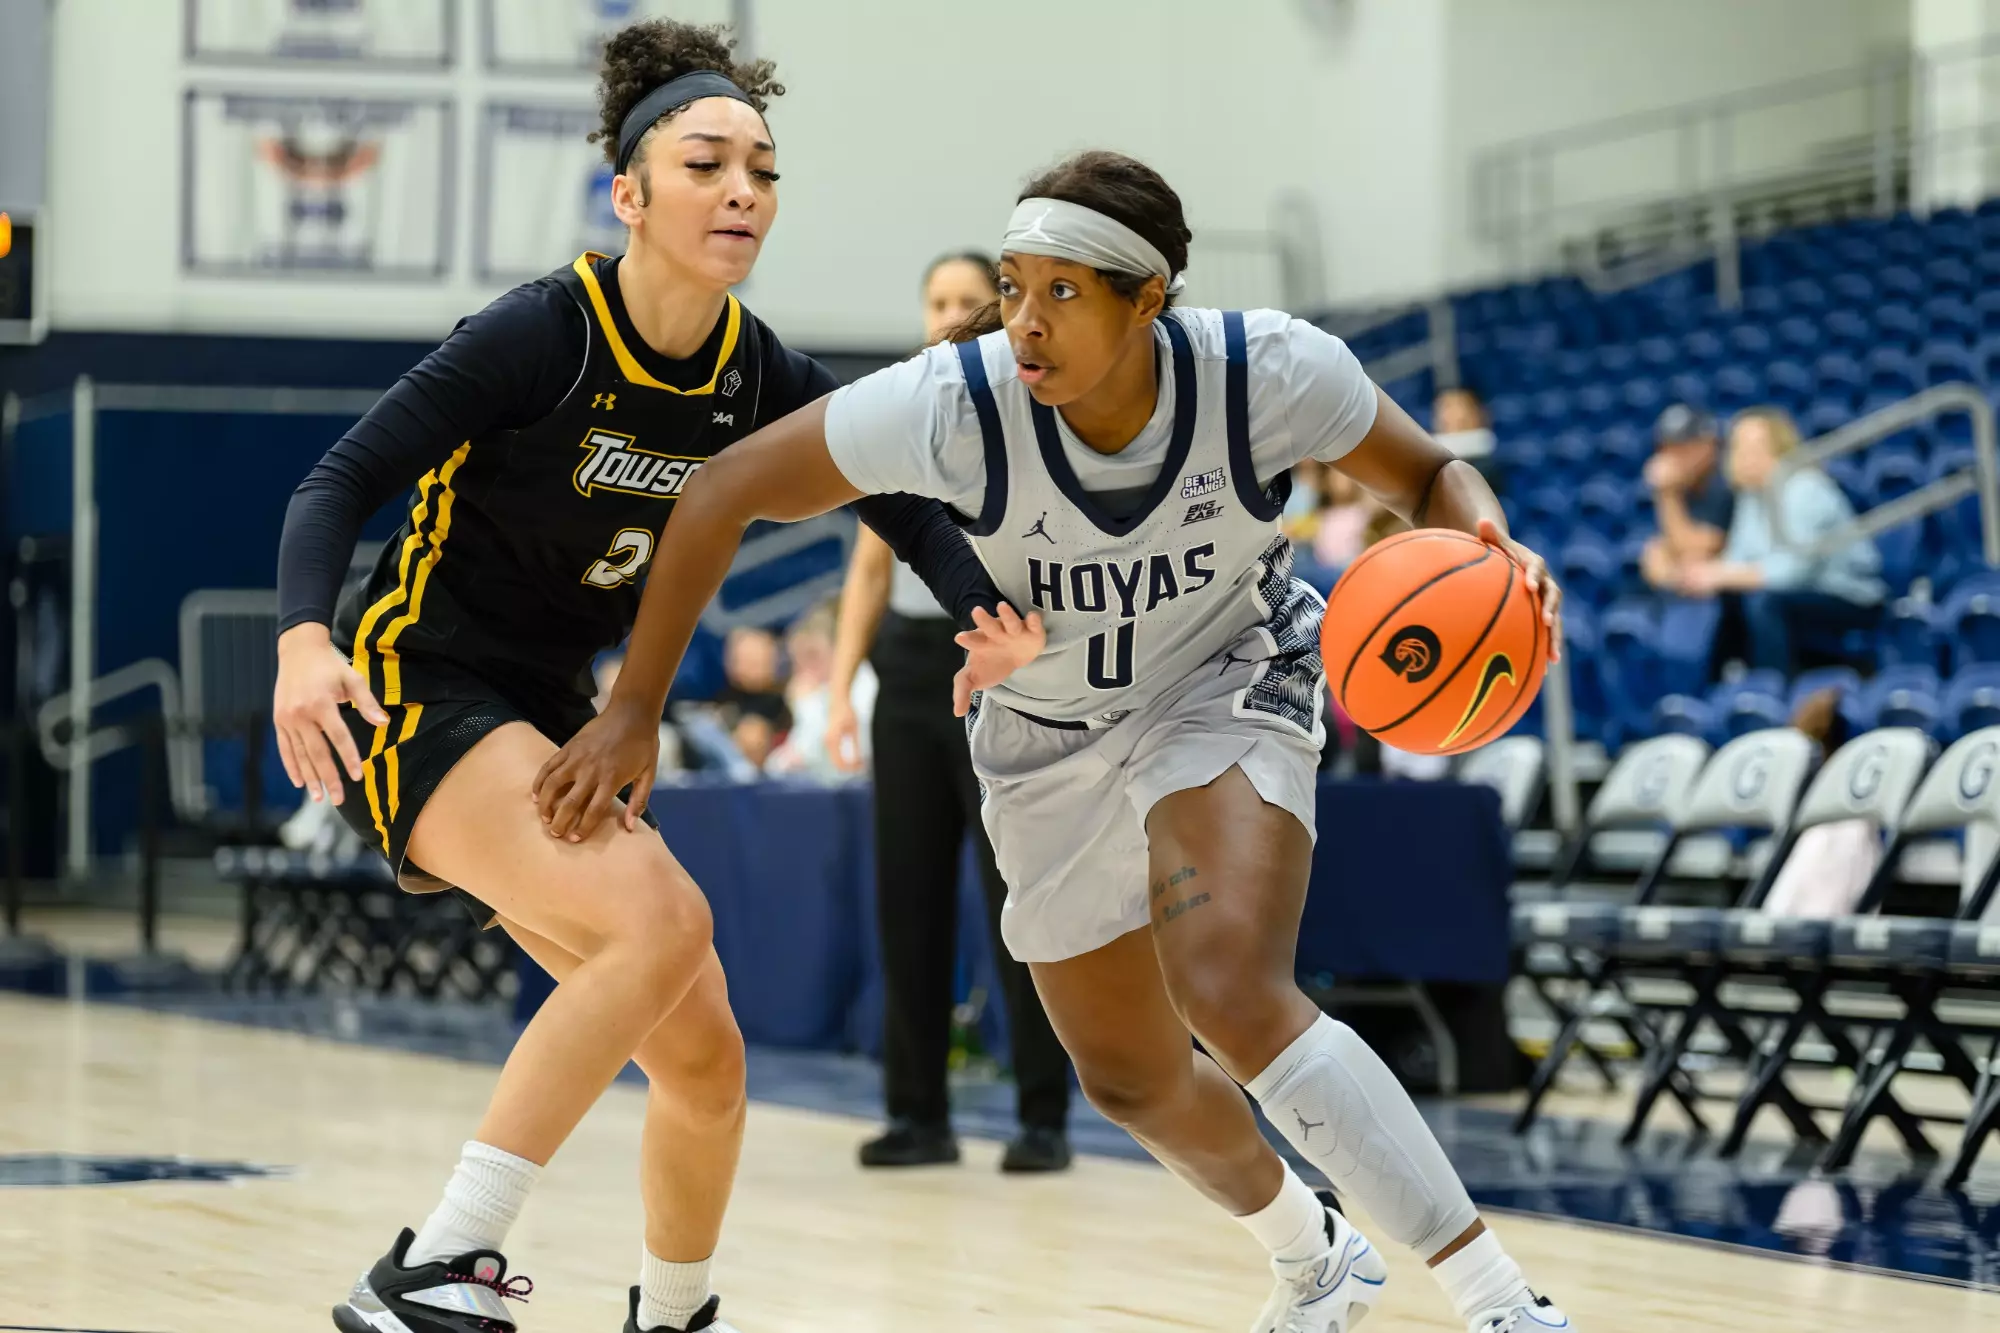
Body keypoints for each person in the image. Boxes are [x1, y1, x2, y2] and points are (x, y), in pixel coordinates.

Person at [533, 150, 1576, 1333]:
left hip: (1224, 677)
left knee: (1231, 988)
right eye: (1015, 287)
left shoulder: (1266, 373)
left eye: (1063, 294)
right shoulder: (954, 399)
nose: (1023, 324)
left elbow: (1430, 473)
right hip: (1043, 732)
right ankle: (1311, 1252)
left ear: (1147, 301)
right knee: (1125, 1074)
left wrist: (1490, 543)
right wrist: (633, 706)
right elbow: (720, 489)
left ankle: (1500, 1302)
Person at [271, 21, 1002, 1333]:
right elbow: (338, 480)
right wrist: (300, 638)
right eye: (709, 162)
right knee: (661, 925)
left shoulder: (752, 371)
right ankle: (433, 1262)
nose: (743, 191)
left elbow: (894, 492)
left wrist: (995, 615)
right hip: (421, 679)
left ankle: (671, 1315)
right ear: (629, 193)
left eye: (765, 171)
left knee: (707, 1056)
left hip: (556, 707)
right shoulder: (539, 333)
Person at [822, 250, 1075, 1175]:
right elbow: (868, 567)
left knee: (1017, 896)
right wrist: (845, 687)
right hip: (908, 666)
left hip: (1002, 667)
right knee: (908, 895)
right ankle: (917, 1114)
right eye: (938, 301)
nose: (952, 314)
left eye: (972, 301)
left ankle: (1043, 1115)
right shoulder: (897, 421)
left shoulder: (1029, 417)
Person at [1678, 406, 1884, 674]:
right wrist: (1709, 574)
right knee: (1725, 596)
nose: (1740, 456)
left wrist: (1720, 574)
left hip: (1848, 597)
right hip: (1796, 595)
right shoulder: (1752, 495)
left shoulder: (1806, 487)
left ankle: (1772, 692)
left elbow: (1793, 573)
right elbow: (1737, 558)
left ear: (1779, 449)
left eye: (1751, 447)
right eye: (1736, 446)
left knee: (1764, 602)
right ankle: (1720, 686)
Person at [1639, 403, 1734, 591]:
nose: (1671, 458)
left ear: (1709, 444)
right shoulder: (1690, 482)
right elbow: (1663, 553)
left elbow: (1694, 549)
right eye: (1666, 448)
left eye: (1683, 448)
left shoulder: (1726, 480)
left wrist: (1666, 494)